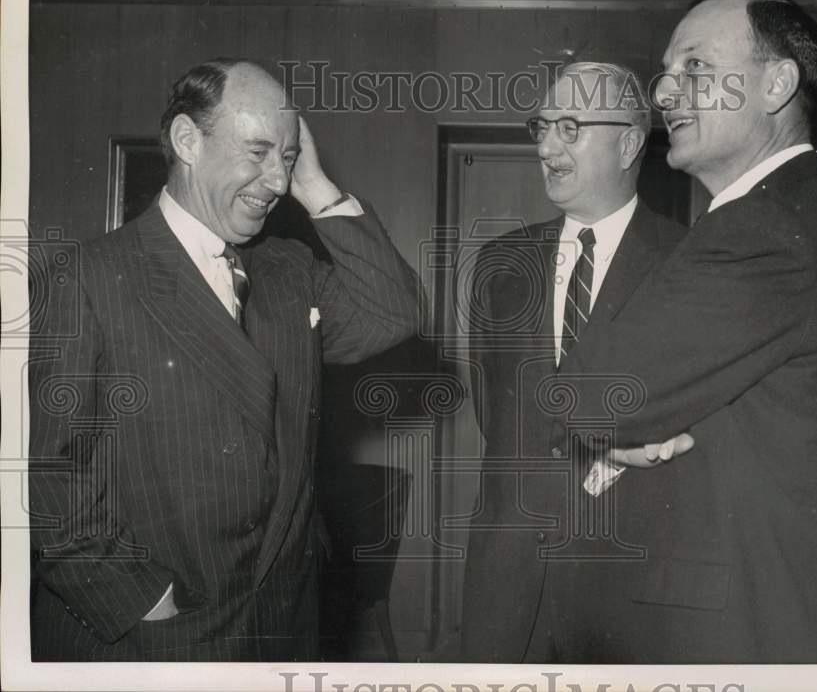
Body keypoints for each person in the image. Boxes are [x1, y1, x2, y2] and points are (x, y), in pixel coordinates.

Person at [29, 57, 420, 661]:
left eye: (286, 159)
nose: (275, 180)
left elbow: (392, 312)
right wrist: (142, 601)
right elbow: (52, 473)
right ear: (188, 140)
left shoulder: (289, 271)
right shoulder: (89, 276)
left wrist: (315, 182)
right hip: (154, 636)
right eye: (257, 151)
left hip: (279, 625)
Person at [579, 0, 817, 662]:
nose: (664, 93)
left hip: (751, 626)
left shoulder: (764, 228)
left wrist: (617, 426)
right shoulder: (802, 212)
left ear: (776, 84)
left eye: (694, 68)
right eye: (667, 72)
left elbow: (592, 391)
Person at [459, 62, 690, 663]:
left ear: (630, 142)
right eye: (541, 126)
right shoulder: (499, 265)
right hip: (507, 591)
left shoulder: (691, 263)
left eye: (569, 127)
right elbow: (497, 418)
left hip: (634, 589)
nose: (545, 146)